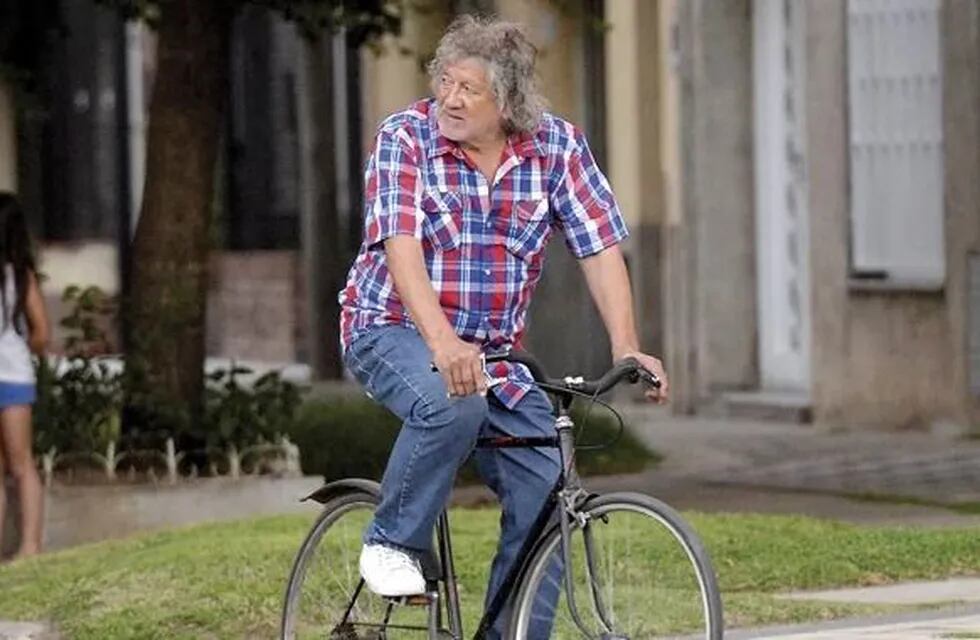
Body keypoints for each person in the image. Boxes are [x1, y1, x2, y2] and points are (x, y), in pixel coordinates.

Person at [338, 15, 669, 636]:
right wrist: (441, 344)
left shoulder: (557, 148)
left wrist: (628, 346)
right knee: (452, 402)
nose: (450, 98)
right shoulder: (405, 139)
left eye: (469, 88)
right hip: (388, 327)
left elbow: (599, 248)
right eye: (444, 81)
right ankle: (389, 542)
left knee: (549, 493)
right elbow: (400, 247)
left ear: (510, 102)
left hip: (492, 354)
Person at [0, 193, 48, 560]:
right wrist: (19, 349)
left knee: (17, 464)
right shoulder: (21, 276)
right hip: (16, 377)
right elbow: (41, 333)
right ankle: (28, 546)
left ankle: (30, 546)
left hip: (12, 380)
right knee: (21, 464)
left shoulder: (19, 276)